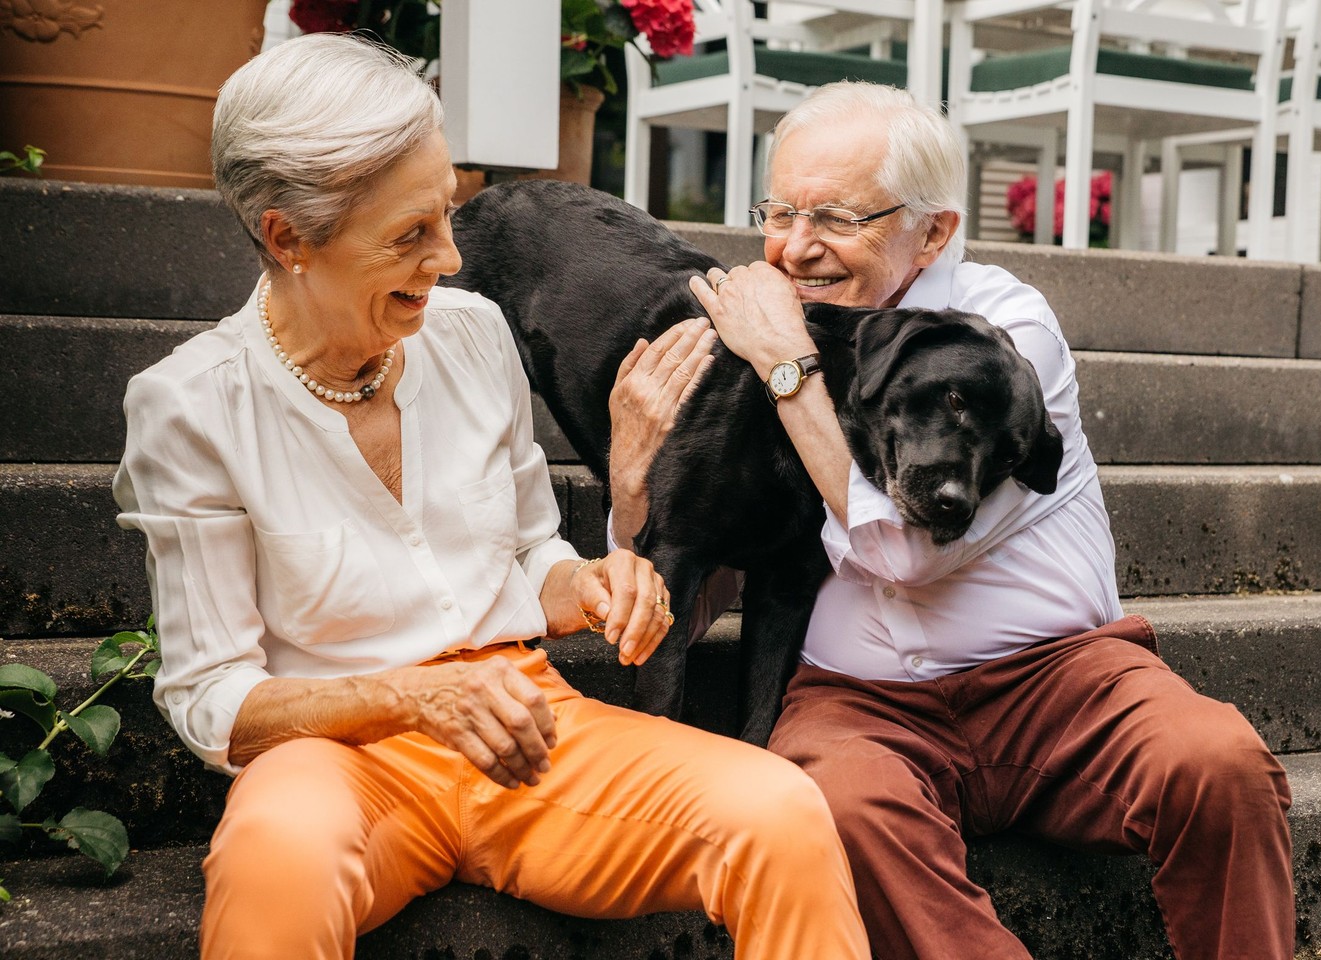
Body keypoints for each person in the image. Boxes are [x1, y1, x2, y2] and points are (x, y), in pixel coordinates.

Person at [112, 34, 869, 960]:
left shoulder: (471, 335)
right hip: (336, 764)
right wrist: (413, 700)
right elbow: (211, 699)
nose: (451, 259)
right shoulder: (190, 404)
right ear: (288, 238)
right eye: (410, 234)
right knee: (280, 853)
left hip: (526, 726)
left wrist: (591, 583)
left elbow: (527, 550)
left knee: (779, 809)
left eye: (446, 217)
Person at [608, 80, 1295, 960]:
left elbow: (909, 554)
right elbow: (683, 597)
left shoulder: (999, 333)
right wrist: (634, 492)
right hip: (862, 705)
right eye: (778, 211)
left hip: (1061, 685)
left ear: (932, 231)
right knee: (840, 810)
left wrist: (787, 371)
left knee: (1217, 762)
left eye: (834, 217)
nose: (791, 248)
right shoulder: (770, 326)